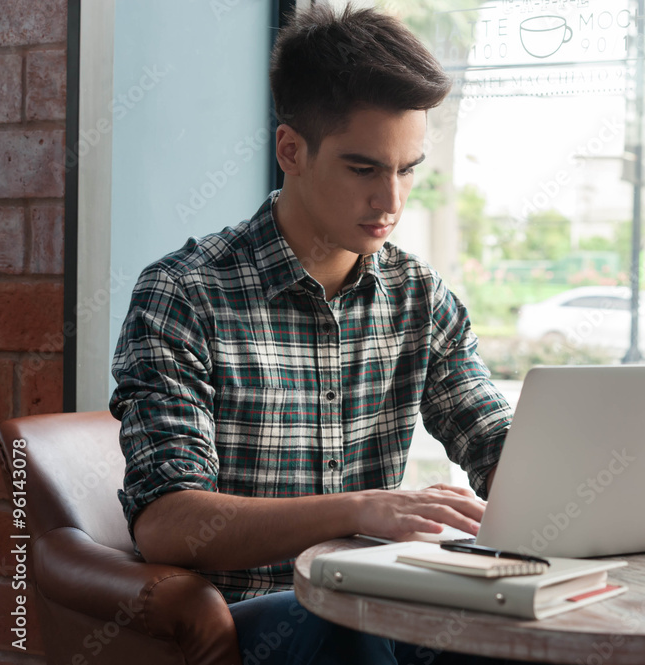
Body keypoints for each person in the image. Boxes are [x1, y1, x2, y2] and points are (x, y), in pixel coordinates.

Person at [110, 5, 520, 663]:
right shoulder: (185, 295)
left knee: (517, 634)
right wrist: (358, 509)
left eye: (408, 168)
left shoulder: (419, 297)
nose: (391, 199)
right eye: (365, 169)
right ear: (291, 150)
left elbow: (496, 445)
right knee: (348, 621)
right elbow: (166, 523)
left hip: (384, 611)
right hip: (259, 620)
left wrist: (587, 485)